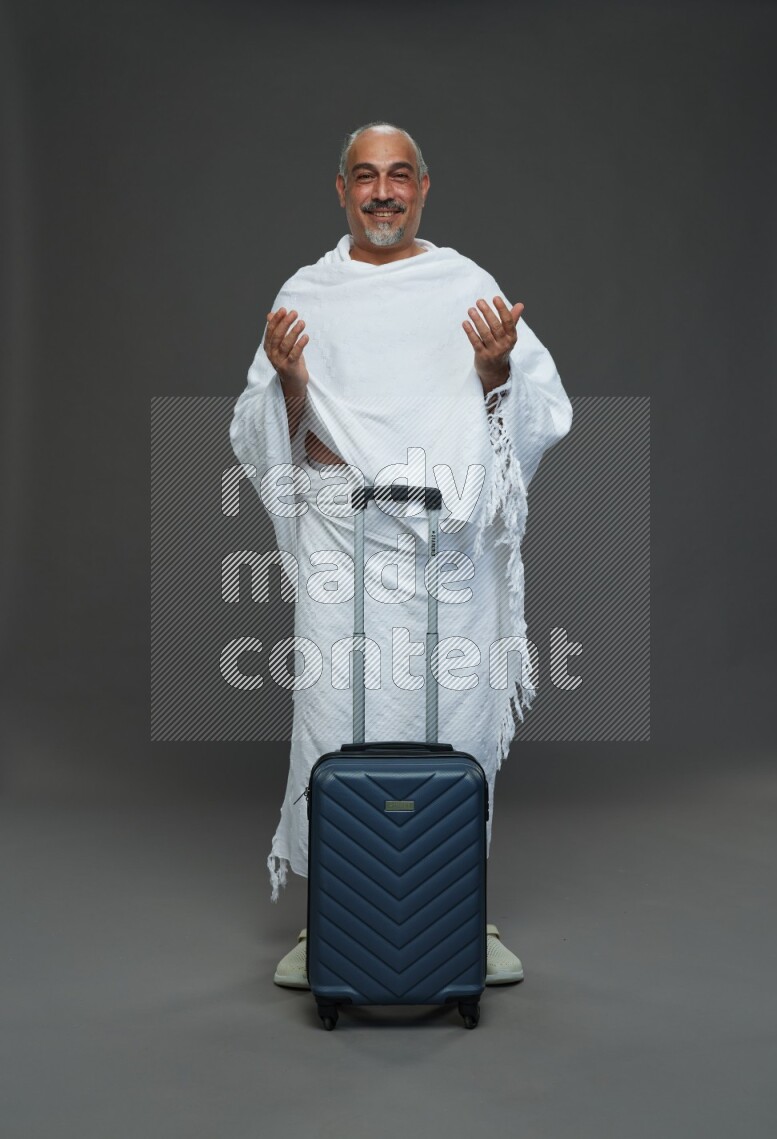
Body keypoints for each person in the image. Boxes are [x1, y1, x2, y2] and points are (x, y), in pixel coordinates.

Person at [229, 121, 572, 989]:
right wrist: (292, 387)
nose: (383, 192)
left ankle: (459, 912)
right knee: (334, 721)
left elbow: (541, 410)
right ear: (340, 190)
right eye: (365, 177)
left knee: (452, 717)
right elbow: (259, 430)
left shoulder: (467, 286)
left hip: (449, 554)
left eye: (400, 176)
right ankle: (330, 919)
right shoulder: (307, 292)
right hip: (343, 538)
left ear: (424, 187)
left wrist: (497, 373)